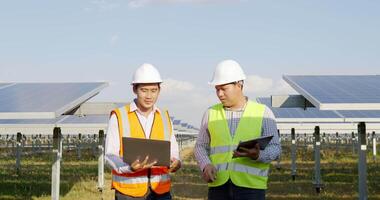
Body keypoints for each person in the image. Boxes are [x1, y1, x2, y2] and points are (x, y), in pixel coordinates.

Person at [194, 59, 281, 200]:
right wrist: (206, 165)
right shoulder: (210, 113)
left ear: (239, 85)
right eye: (217, 89)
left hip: (251, 188)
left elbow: (275, 148)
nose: (219, 94)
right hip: (218, 186)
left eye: (224, 89)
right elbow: (200, 146)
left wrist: (258, 155)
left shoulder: (263, 112)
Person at [105, 63, 181, 200]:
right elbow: (110, 155)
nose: (149, 96)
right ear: (135, 89)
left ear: (159, 90)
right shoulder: (119, 116)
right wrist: (129, 168)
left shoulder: (164, 117)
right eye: (144, 90)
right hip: (129, 192)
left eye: (153, 90)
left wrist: (177, 162)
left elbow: (174, 150)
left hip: (161, 191)